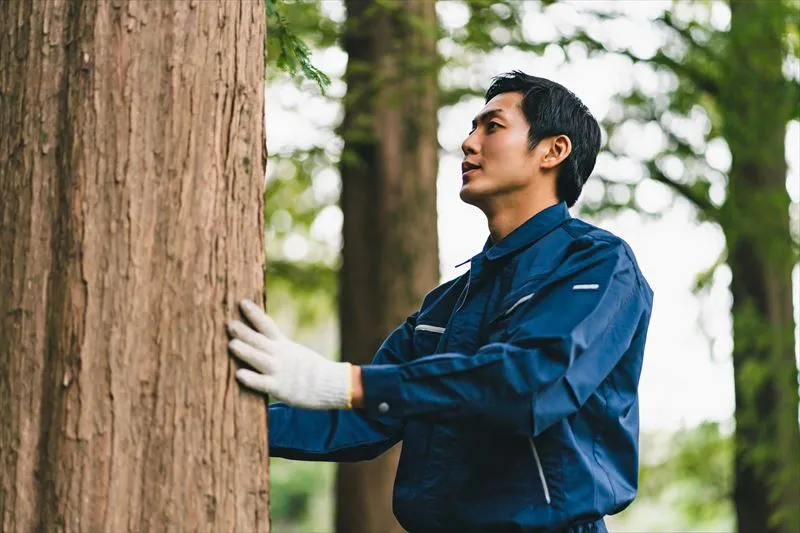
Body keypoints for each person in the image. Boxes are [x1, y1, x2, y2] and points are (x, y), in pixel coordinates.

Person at [226, 70, 654, 533]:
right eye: (472, 128)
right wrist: (231, 421)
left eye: (492, 127)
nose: (468, 143)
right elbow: (367, 419)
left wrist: (347, 381)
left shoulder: (598, 264)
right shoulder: (447, 303)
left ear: (554, 150)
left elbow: (531, 382)